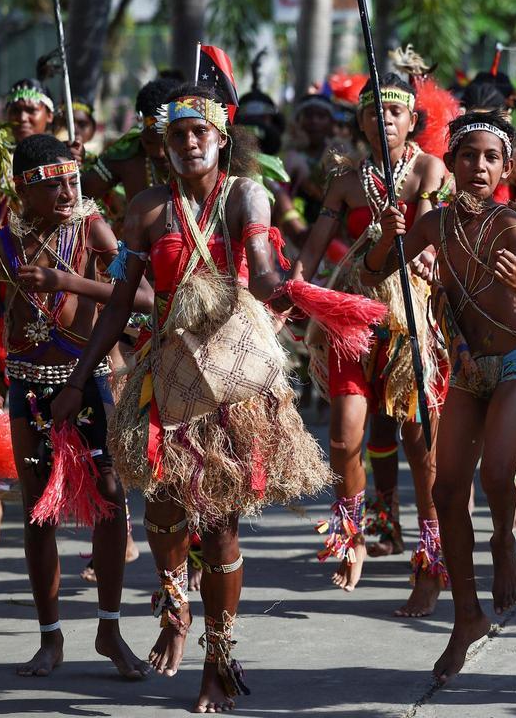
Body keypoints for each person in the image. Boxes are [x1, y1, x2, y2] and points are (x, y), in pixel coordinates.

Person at [50, 83, 330, 713]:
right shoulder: (146, 210)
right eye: (176, 135)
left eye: (199, 132)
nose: (189, 143)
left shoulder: (245, 195)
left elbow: (259, 266)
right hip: (169, 377)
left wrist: (287, 290)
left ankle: (219, 658)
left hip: (230, 383)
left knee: (221, 525)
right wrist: (77, 381)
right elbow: (121, 299)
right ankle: (175, 607)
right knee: (165, 517)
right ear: (163, 144)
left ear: (221, 138)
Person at [361, 110, 516, 683]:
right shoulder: (434, 223)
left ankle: (503, 544)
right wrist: (386, 236)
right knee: (443, 486)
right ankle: (466, 615)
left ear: (505, 168)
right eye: (468, 156)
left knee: (495, 476)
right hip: (468, 370)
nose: (479, 167)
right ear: (452, 165)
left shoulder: (511, 224)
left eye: (491, 158)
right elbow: (374, 272)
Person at [0, 133, 153, 680]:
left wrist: (69, 281)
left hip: (86, 384)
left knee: (110, 498)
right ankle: (49, 637)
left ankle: (110, 629)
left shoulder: (90, 228)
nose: (67, 191)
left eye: (72, 180)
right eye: (53, 184)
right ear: (23, 190)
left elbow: (144, 297)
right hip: (26, 387)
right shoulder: (3, 239)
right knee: (38, 510)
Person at [291, 73, 448, 609]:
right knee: (343, 435)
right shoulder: (344, 180)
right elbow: (312, 249)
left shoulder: (428, 169)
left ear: (412, 122)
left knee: (418, 441)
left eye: (395, 113)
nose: (383, 120)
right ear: (358, 122)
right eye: (373, 112)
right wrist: (295, 287)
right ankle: (351, 536)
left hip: (409, 319)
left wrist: (403, 232)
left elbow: (427, 238)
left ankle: (431, 559)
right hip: (352, 315)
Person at [82, 77, 180, 210]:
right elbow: (79, 195)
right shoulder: (127, 154)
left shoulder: (201, 158)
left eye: (165, 143)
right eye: (149, 142)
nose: (159, 153)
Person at [283, 93, 339, 224]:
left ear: (331, 123)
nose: (314, 121)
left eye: (321, 116)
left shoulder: (342, 155)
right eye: (308, 116)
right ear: (298, 121)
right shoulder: (286, 156)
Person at [3, 79, 55, 144]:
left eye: (31, 110)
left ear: (49, 115)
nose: (22, 118)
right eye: (15, 110)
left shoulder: (62, 153)